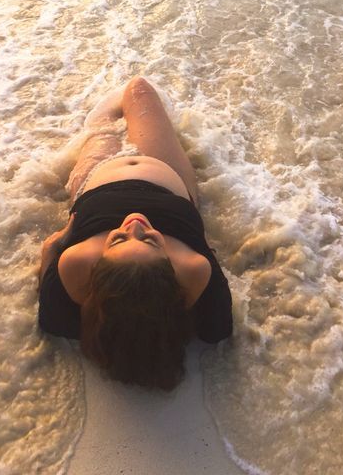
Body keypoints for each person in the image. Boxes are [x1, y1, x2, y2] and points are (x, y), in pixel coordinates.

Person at [38, 77, 232, 390]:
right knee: (138, 89)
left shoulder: (74, 266)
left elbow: (50, 254)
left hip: (95, 180)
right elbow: (217, 330)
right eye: (153, 240)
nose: (135, 223)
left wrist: (59, 239)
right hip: (166, 176)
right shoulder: (194, 271)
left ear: (96, 277)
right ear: (173, 281)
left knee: (108, 116)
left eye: (117, 239)